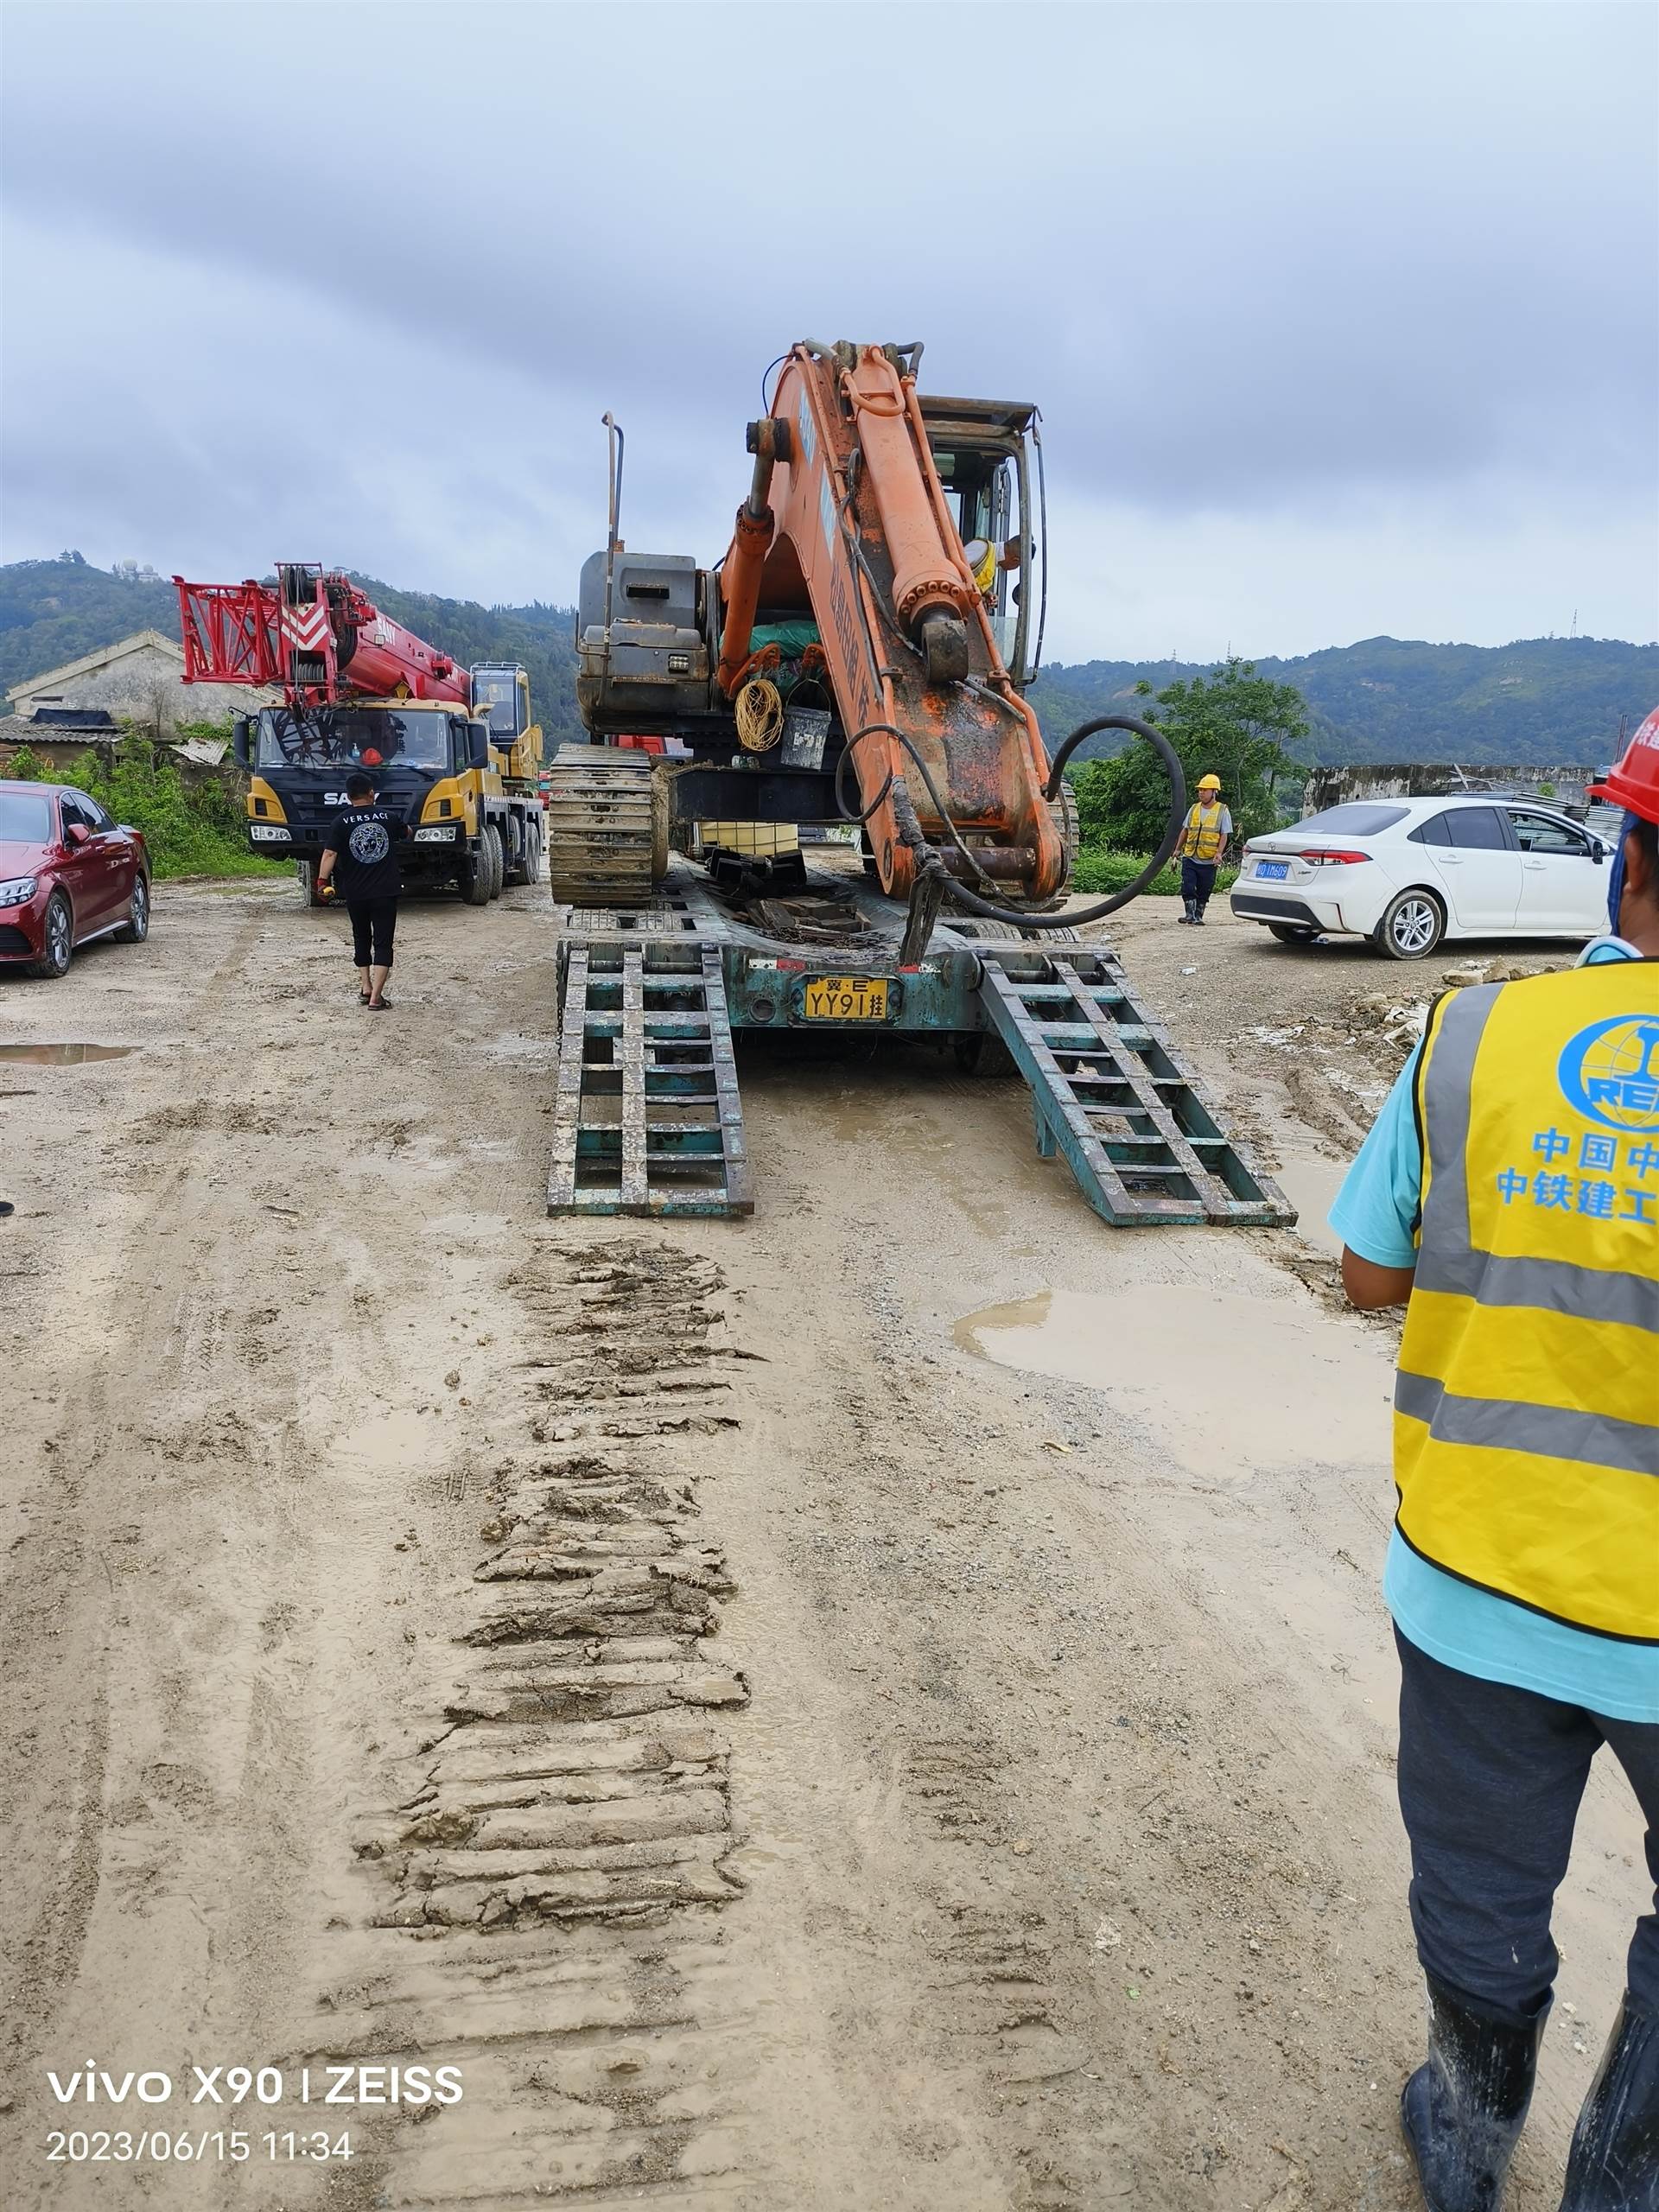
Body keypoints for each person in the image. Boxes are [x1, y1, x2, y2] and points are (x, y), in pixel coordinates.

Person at [1329, 707, 1659, 2212]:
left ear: (1626, 866)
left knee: (1479, 1890)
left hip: (1480, 1575)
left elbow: (1369, 1276)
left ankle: (1468, 2136)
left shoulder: (1477, 1035)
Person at [316, 770, 409, 1011]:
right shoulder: (388, 817)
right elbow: (407, 833)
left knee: (361, 937)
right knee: (383, 941)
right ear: (371, 793)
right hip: (385, 891)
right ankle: (376, 997)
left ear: (348, 797)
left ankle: (366, 985)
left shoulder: (340, 822)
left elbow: (329, 854)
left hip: (355, 891)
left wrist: (321, 882)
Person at [1176, 773, 1231, 924]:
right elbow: (1185, 830)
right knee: (1187, 886)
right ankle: (1190, 915)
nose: (1201, 792)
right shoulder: (1194, 808)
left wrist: (1219, 853)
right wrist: (1177, 849)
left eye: (1205, 790)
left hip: (1208, 859)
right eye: (1200, 790)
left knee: (1204, 889)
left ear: (1214, 792)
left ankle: (1198, 916)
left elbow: (1224, 834)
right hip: (1190, 855)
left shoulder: (1222, 811)